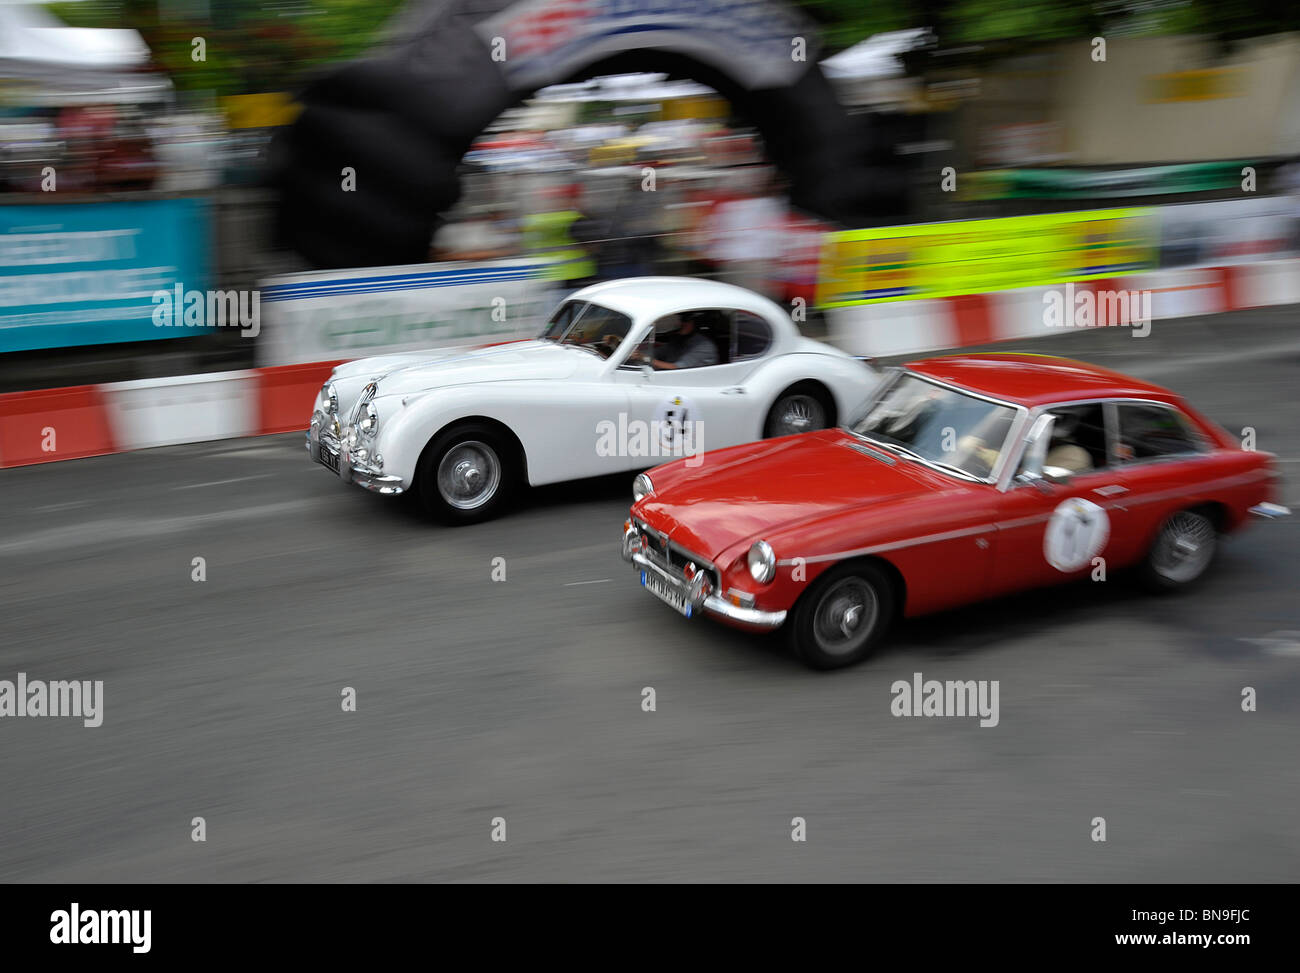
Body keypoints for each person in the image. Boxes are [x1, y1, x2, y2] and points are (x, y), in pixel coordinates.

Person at [635, 313, 718, 370]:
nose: (681, 323)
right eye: (682, 320)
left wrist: (644, 358)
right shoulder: (681, 338)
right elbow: (660, 351)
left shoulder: (704, 346)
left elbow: (675, 367)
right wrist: (636, 353)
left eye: (686, 321)